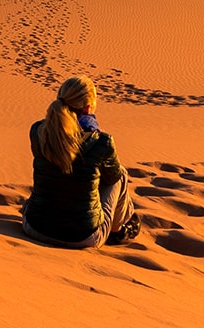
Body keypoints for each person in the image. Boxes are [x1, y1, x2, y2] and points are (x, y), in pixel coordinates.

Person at [21, 76, 140, 248]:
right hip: (82, 237)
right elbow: (111, 178)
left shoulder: (38, 132)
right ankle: (117, 230)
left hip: (34, 228)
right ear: (88, 106)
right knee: (120, 174)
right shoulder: (102, 141)